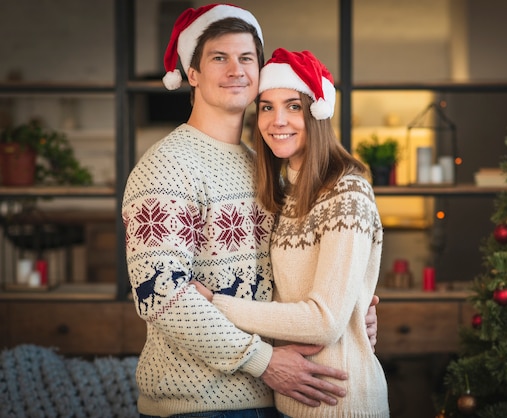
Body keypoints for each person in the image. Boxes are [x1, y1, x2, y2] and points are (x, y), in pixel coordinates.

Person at [122, 4, 378, 417]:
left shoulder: (265, 168)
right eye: (218, 58)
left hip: (277, 397)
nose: (236, 70)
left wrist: (351, 309)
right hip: (198, 404)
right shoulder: (167, 165)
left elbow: (293, 274)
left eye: (246, 58)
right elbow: (161, 296)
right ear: (192, 73)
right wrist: (265, 361)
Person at [193, 48, 390, 417]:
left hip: (340, 402)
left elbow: (324, 322)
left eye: (293, 106)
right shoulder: (286, 195)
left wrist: (216, 305)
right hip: (289, 401)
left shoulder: (347, 193)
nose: (276, 120)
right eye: (266, 107)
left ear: (316, 112)